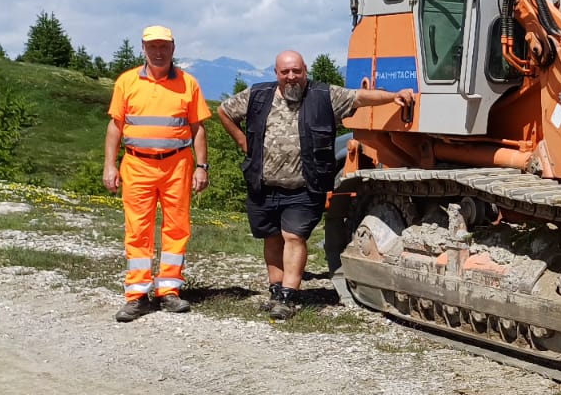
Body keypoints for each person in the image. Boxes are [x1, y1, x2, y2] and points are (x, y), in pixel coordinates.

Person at [218, 50, 415, 320]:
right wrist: (243, 142)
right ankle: (275, 291)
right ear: (276, 73)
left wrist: (392, 96)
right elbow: (224, 111)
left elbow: (359, 96)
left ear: (305, 71)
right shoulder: (257, 95)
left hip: (305, 185)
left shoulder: (323, 95)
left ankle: (289, 295)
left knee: (294, 237)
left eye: (296, 71)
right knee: (272, 238)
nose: (291, 77)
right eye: (285, 72)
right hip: (263, 184)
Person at [103, 25, 211, 321]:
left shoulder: (188, 83)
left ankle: (169, 291)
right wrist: (110, 165)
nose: (159, 51)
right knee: (137, 229)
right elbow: (115, 126)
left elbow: (197, 128)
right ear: (144, 48)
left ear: (173, 48)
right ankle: (137, 294)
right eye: (153, 46)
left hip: (177, 164)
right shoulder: (126, 82)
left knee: (177, 227)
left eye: (164, 46)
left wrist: (202, 166)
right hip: (137, 164)